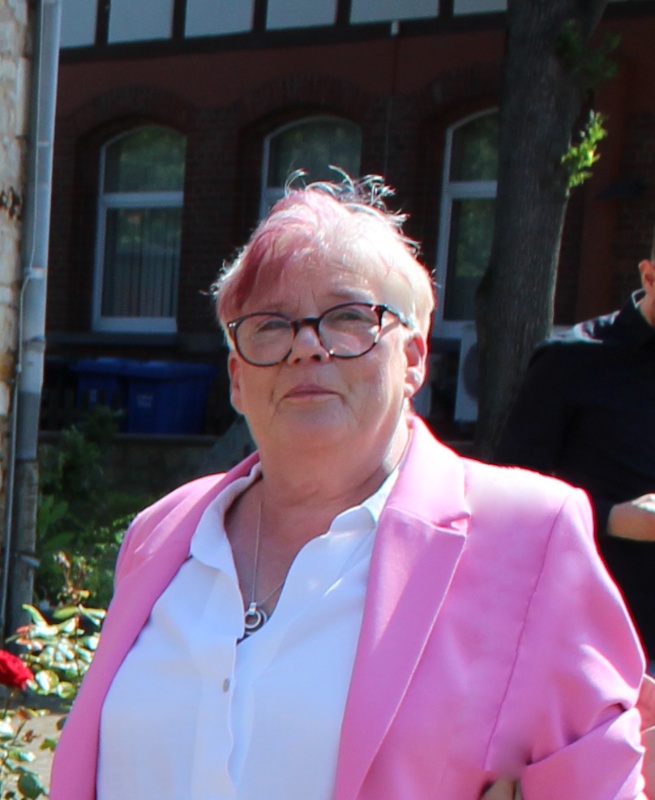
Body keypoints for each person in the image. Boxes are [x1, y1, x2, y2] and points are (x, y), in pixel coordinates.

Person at [50, 174, 647, 800]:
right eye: (270, 325)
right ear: (236, 378)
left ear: (413, 357)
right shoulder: (163, 533)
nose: (307, 347)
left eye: (349, 318)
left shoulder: (527, 537)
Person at [496, 256, 655, 661]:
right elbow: (509, 498)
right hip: (602, 642)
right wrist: (611, 518)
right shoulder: (572, 360)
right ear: (649, 276)